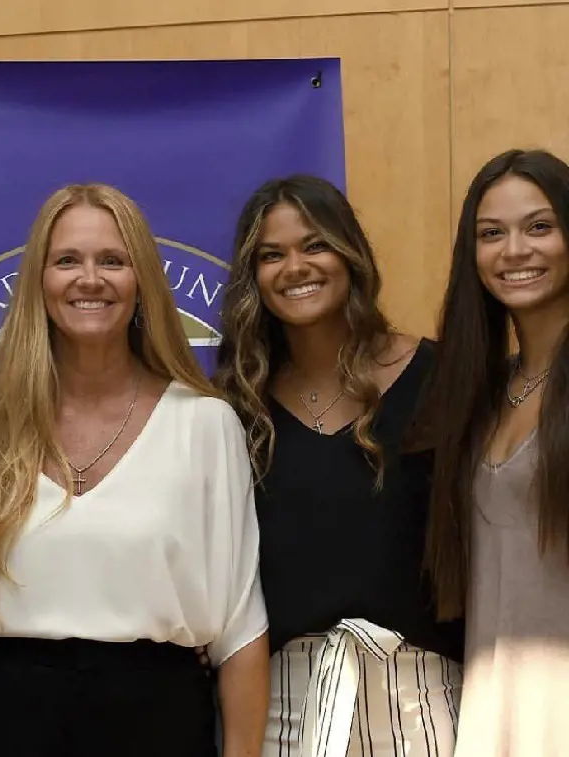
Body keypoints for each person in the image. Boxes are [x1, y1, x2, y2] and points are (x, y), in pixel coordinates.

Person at [0, 183, 269, 757]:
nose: (89, 279)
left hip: (155, 720)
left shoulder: (205, 424)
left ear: (141, 281)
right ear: (38, 283)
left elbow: (241, 629)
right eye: (67, 260)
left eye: (112, 261)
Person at [213, 175, 463, 756]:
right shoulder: (234, 408)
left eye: (314, 244)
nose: (294, 266)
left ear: (350, 253)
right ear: (253, 279)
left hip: (421, 700)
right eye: (271, 255)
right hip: (282, 710)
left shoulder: (443, 379)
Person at [410, 149, 569, 755]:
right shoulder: (477, 398)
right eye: (490, 234)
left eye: (539, 226)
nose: (514, 251)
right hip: (492, 711)